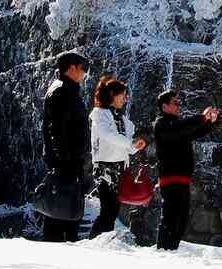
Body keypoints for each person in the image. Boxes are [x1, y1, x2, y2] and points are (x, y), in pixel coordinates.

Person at [153, 89, 219, 250]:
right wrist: (202, 117)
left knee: (181, 217)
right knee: (170, 216)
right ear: (164, 106)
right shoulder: (162, 123)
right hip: (170, 177)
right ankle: (163, 249)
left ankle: (171, 248)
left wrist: (211, 121)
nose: (178, 106)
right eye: (175, 103)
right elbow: (182, 128)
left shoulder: (176, 125)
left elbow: (196, 131)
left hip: (182, 177)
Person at [89, 74, 148, 239]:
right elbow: (107, 135)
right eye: (123, 94)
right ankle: (96, 241)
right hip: (105, 168)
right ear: (112, 95)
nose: (125, 98)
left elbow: (125, 145)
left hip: (120, 167)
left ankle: (101, 240)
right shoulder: (100, 114)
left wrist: (135, 146)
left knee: (113, 208)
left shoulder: (122, 119)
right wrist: (130, 144)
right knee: (109, 208)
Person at [40, 50, 90, 242]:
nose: (84, 73)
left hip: (68, 161)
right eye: (82, 68)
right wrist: (66, 157)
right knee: (60, 213)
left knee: (65, 212)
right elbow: (57, 128)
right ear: (71, 68)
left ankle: (63, 248)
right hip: (65, 163)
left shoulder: (67, 90)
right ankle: (57, 254)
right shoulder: (61, 91)